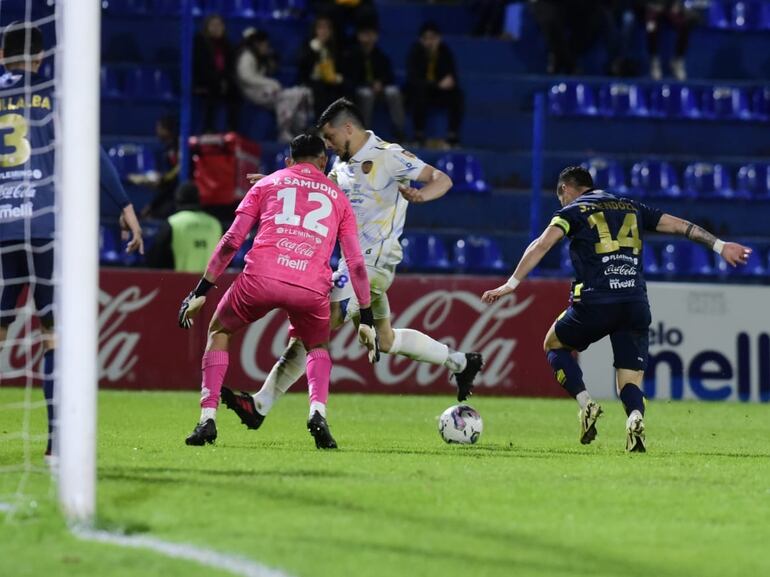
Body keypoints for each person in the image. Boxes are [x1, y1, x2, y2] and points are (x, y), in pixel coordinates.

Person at [229, 98, 483, 428]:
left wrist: (423, 195)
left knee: (316, 326)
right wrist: (280, 180)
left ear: (348, 128)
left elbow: (442, 179)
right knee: (386, 340)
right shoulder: (341, 166)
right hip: (353, 269)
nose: (329, 145)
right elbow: (320, 190)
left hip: (373, 263)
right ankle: (461, 362)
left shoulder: (388, 155)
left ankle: (260, 405)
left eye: (331, 137)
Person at [481, 166, 752, 452]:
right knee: (629, 378)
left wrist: (512, 283)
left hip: (595, 302)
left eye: (560, 196)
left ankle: (586, 403)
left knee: (553, 344)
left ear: (565, 189)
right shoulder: (631, 206)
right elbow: (679, 225)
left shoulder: (573, 210)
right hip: (634, 303)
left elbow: (542, 243)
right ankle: (635, 417)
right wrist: (720, 246)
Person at [178, 134, 377, 449]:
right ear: (323, 161)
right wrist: (366, 316)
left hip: (260, 279)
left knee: (219, 330)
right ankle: (318, 413)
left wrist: (202, 289)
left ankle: (207, 420)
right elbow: (356, 263)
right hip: (311, 288)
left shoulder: (268, 183)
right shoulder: (338, 197)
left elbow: (232, 239)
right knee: (317, 346)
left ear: (289, 160)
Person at [0, 24, 143, 461]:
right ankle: (56, 443)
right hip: (44, 225)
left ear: (2, 58)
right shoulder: (56, 92)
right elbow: (91, 153)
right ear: (42, 58)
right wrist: (124, 205)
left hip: (3, 225)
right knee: (52, 334)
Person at [235, 27, 313, 143]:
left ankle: (300, 129)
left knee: (301, 94)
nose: (266, 46)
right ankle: (284, 132)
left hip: (262, 90)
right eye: (264, 44)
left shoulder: (260, 57)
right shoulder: (247, 56)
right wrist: (269, 82)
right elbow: (246, 77)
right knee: (283, 97)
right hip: (252, 92)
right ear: (257, 44)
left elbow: (269, 70)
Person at [405, 21, 464, 147]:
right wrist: (436, 85)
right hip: (423, 91)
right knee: (418, 93)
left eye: (433, 38)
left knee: (458, 95)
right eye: (426, 38)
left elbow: (452, 76)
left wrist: (448, 81)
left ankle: (453, 135)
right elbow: (413, 79)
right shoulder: (415, 52)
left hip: (439, 92)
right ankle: (418, 134)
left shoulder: (445, 52)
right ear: (421, 40)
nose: (429, 42)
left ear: (439, 39)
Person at [345, 22, 405, 141]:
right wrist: (370, 85)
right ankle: (363, 131)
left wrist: (380, 83)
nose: (368, 38)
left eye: (371, 34)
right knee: (367, 94)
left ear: (376, 36)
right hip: (362, 88)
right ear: (359, 36)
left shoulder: (381, 55)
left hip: (380, 89)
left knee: (393, 92)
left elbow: (389, 76)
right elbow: (352, 78)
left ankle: (399, 129)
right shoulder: (353, 55)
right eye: (365, 34)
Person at [146, 182, 222, 272]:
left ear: (177, 199)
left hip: (180, 282)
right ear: (198, 199)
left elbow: (155, 258)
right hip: (209, 284)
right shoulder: (215, 224)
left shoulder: (172, 222)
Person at [193, 14, 239, 133]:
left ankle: (232, 128)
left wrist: (225, 80)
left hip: (222, 80)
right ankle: (208, 128)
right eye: (213, 25)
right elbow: (200, 66)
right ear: (207, 27)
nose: (216, 28)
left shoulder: (227, 44)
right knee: (213, 89)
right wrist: (218, 80)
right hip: (205, 79)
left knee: (235, 90)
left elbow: (230, 66)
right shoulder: (200, 41)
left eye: (219, 25)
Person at [298, 15, 347, 120]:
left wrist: (338, 78)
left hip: (332, 80)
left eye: (327, 28)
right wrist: (313, 51)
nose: (324, 31)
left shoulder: (337, 47)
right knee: (320, 90)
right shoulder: (308, 46)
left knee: (345, 88)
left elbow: (342, 68)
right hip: (313, 81)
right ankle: (321, 126)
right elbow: (303, 69)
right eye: (320, 27)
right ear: (315, 30)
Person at [645, 0, 696, 81]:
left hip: (669, 8)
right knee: (651, 28)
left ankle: (678, 60)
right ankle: (654, 61)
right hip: (651, 9)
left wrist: (674, 5)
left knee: (685, 24)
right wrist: (651, 5)